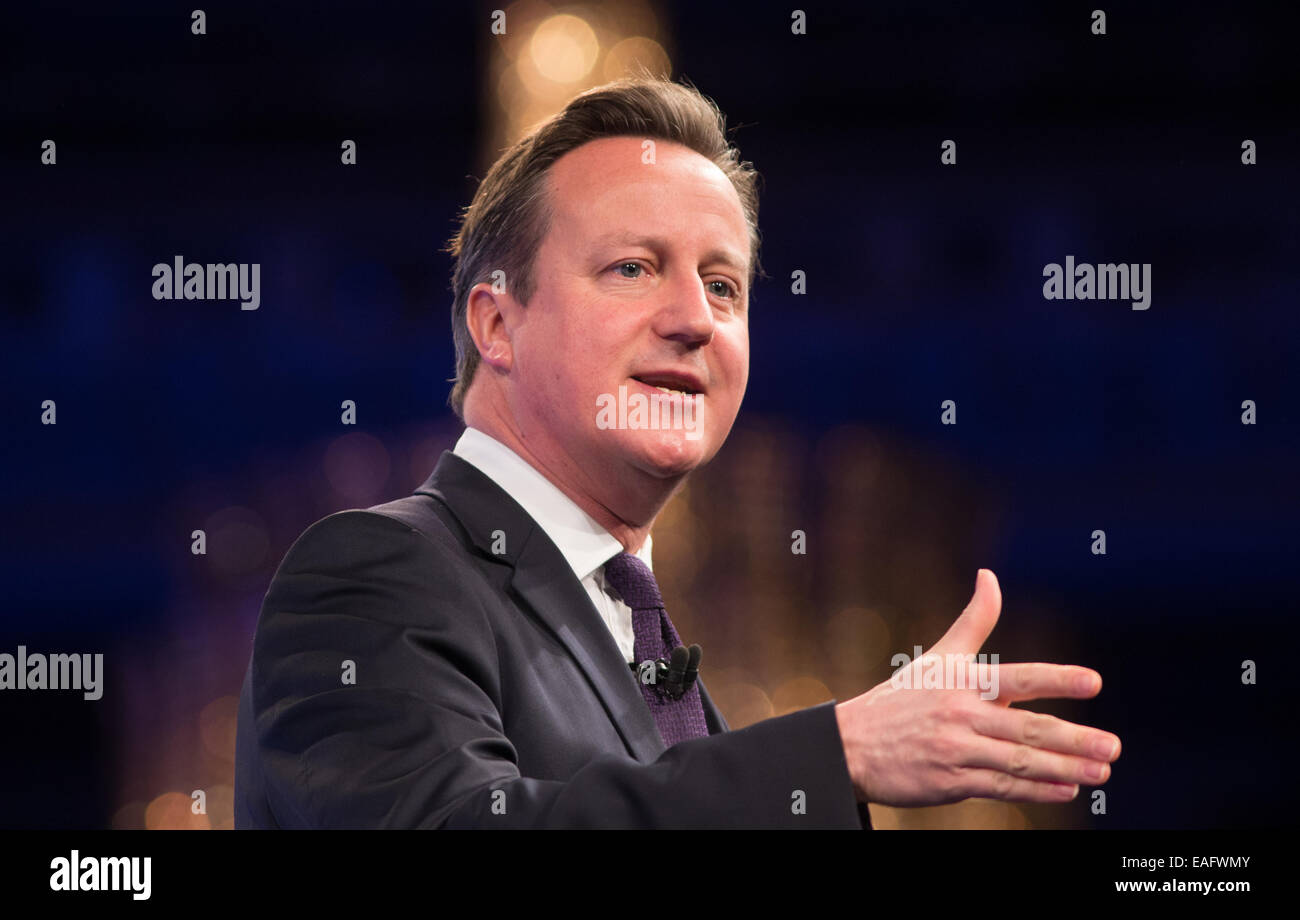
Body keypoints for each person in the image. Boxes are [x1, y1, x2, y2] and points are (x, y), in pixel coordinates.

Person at [234, 75, 1121, 828]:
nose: (695, 319)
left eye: (724, 284)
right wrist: (837, 751)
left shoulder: (656, 656)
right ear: (499, 324)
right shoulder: (374, 572)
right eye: (633, 267)